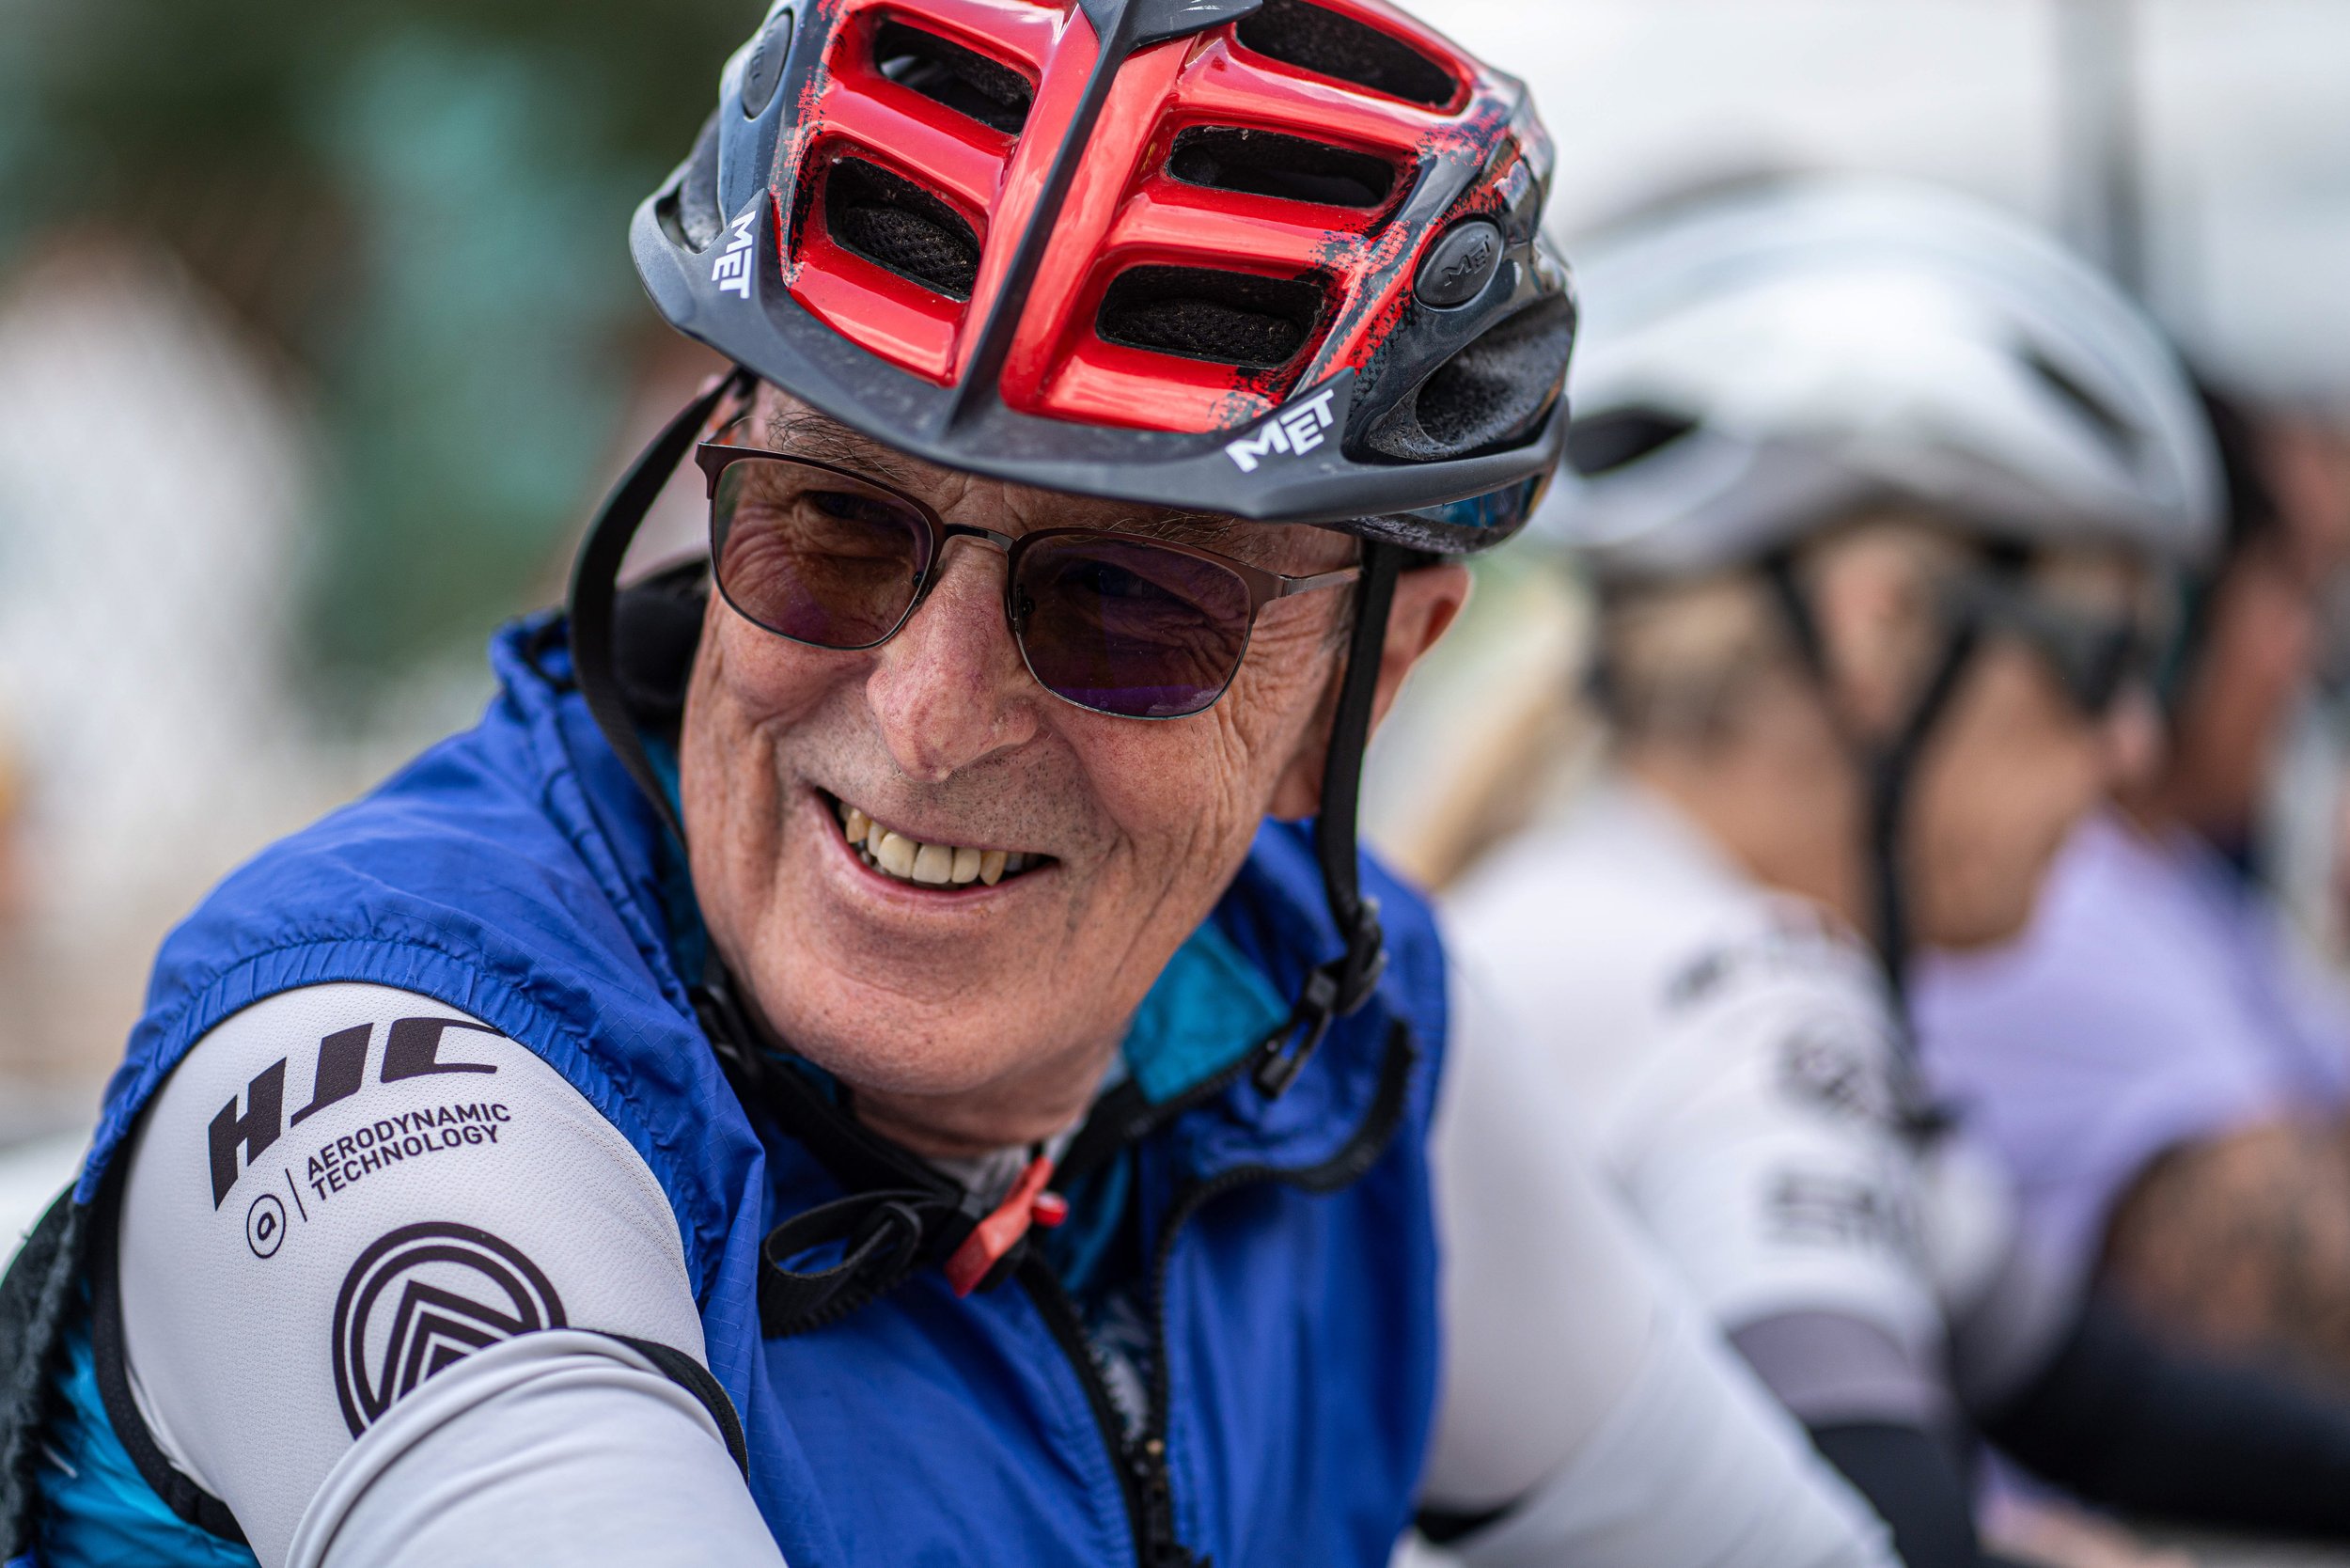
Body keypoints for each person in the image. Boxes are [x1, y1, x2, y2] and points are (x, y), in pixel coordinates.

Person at [0, 5, 1895, 1567]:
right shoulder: (405, 1080)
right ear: (711, 466)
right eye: (831, 525)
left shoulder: (1340, 1029)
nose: (922, 715)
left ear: (1381, 664)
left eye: (1125, 604)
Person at [1448, 175, 2350, 1568]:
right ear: (1885, 637)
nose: (2130, 748)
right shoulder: (1731, 995)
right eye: (2103, 660)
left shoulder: (1629, 911)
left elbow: (2092, 1399)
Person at [1912, 396, 2350, 1382]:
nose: (2306, 655)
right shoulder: (2056, 910)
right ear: (2175, 626)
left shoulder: (2175, 877)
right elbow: (2314, 1292)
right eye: (2289, 595)